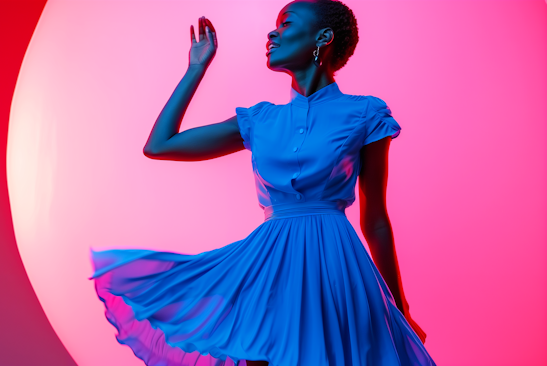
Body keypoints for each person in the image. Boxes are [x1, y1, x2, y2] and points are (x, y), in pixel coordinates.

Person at [89, 0, 437, 365]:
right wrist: (195, 69)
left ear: (324, 37)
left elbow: (376, 219)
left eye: (286, 24)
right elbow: (160, 145)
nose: (273, 33)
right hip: (270, 266)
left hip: (337, 267)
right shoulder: (259, 120)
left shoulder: (365, 113)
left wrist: (399, 308)